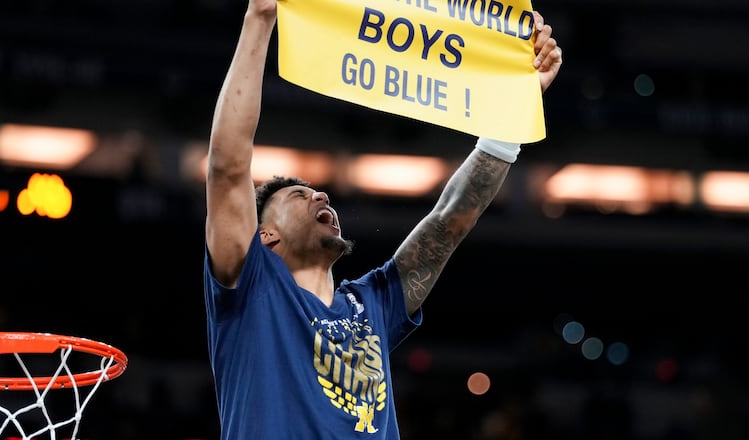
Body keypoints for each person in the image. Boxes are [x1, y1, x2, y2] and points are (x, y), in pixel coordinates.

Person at [202, 0, 563, 437]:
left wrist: (515, 108)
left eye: (316, 191)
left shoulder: (371, 303)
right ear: (266, 236)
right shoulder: (251, 284)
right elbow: (228, 166)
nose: (321, 194)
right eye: (299, 195)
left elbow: (448, 222)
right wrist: (259, 19)